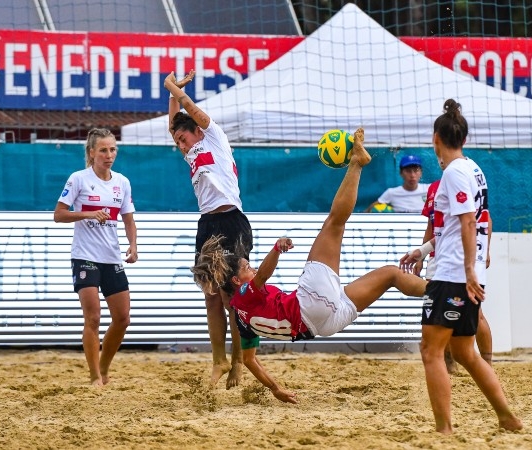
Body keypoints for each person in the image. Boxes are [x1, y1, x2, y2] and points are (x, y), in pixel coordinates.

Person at [191, 128, 428, 404]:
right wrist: (276, 249)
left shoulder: (241, 318)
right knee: (334, 223)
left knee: (391, 275)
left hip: (323, 327)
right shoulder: (245, 293)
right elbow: (262, 277)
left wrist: (276, 388)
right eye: (246, 267)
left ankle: (437, 291)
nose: (251, 268)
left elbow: (249, 361)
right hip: (309, 303)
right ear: (236, 281)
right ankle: (356, 163)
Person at [401, 99, 521, 434]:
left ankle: (444, 429)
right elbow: (459, 225)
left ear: (436, 139)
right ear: (463, 140)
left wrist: (469, 271)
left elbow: (469, 222)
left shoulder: (453, 173)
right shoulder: (472, 168)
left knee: (430, 351)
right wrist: (423, 250)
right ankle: (506, 417)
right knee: (466, 353)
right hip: (460, 270)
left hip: (454, 275)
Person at [164, 70, 253, 389]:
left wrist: (176, 90)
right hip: (208, 224)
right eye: (177, 142)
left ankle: (240, 361)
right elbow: (174, 123)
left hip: (232, 220)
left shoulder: (214, 136)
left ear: (197, 132)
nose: (180, 145)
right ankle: (218, 360)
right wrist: (172, 94)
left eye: (183, 139)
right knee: (211, 295)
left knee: (234, 296)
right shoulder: (191, 152)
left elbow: (191, 114)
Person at [53, 128, 138, 387]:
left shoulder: (122, 182)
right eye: (103, 150)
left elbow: (128, 219)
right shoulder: (78, 179)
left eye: (112, 149)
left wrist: (133, 245)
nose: (109, 155)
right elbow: (58, 214)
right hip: (85, 256)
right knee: (93, 318)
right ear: (92, 153)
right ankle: (94, 377)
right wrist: (88, 214)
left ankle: (104, 367)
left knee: (123, 318)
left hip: (111, 257)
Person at [402, 179, 493, 374]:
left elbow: (483, 218)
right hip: (437, 257)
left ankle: (488, 364)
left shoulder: (464, 180)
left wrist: (485, 250)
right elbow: (432, 226)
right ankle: (448, 365)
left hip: (460, 255)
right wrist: (422, 254)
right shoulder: (435, 188)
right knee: (438, 313)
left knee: (475, 313)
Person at [365, 154, 429, 213]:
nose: (412, 175)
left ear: (421, 173)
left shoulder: (430, 189)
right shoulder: (392, 193)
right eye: (408, 171)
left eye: (416, 171)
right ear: (401, 173)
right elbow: (368, 210)